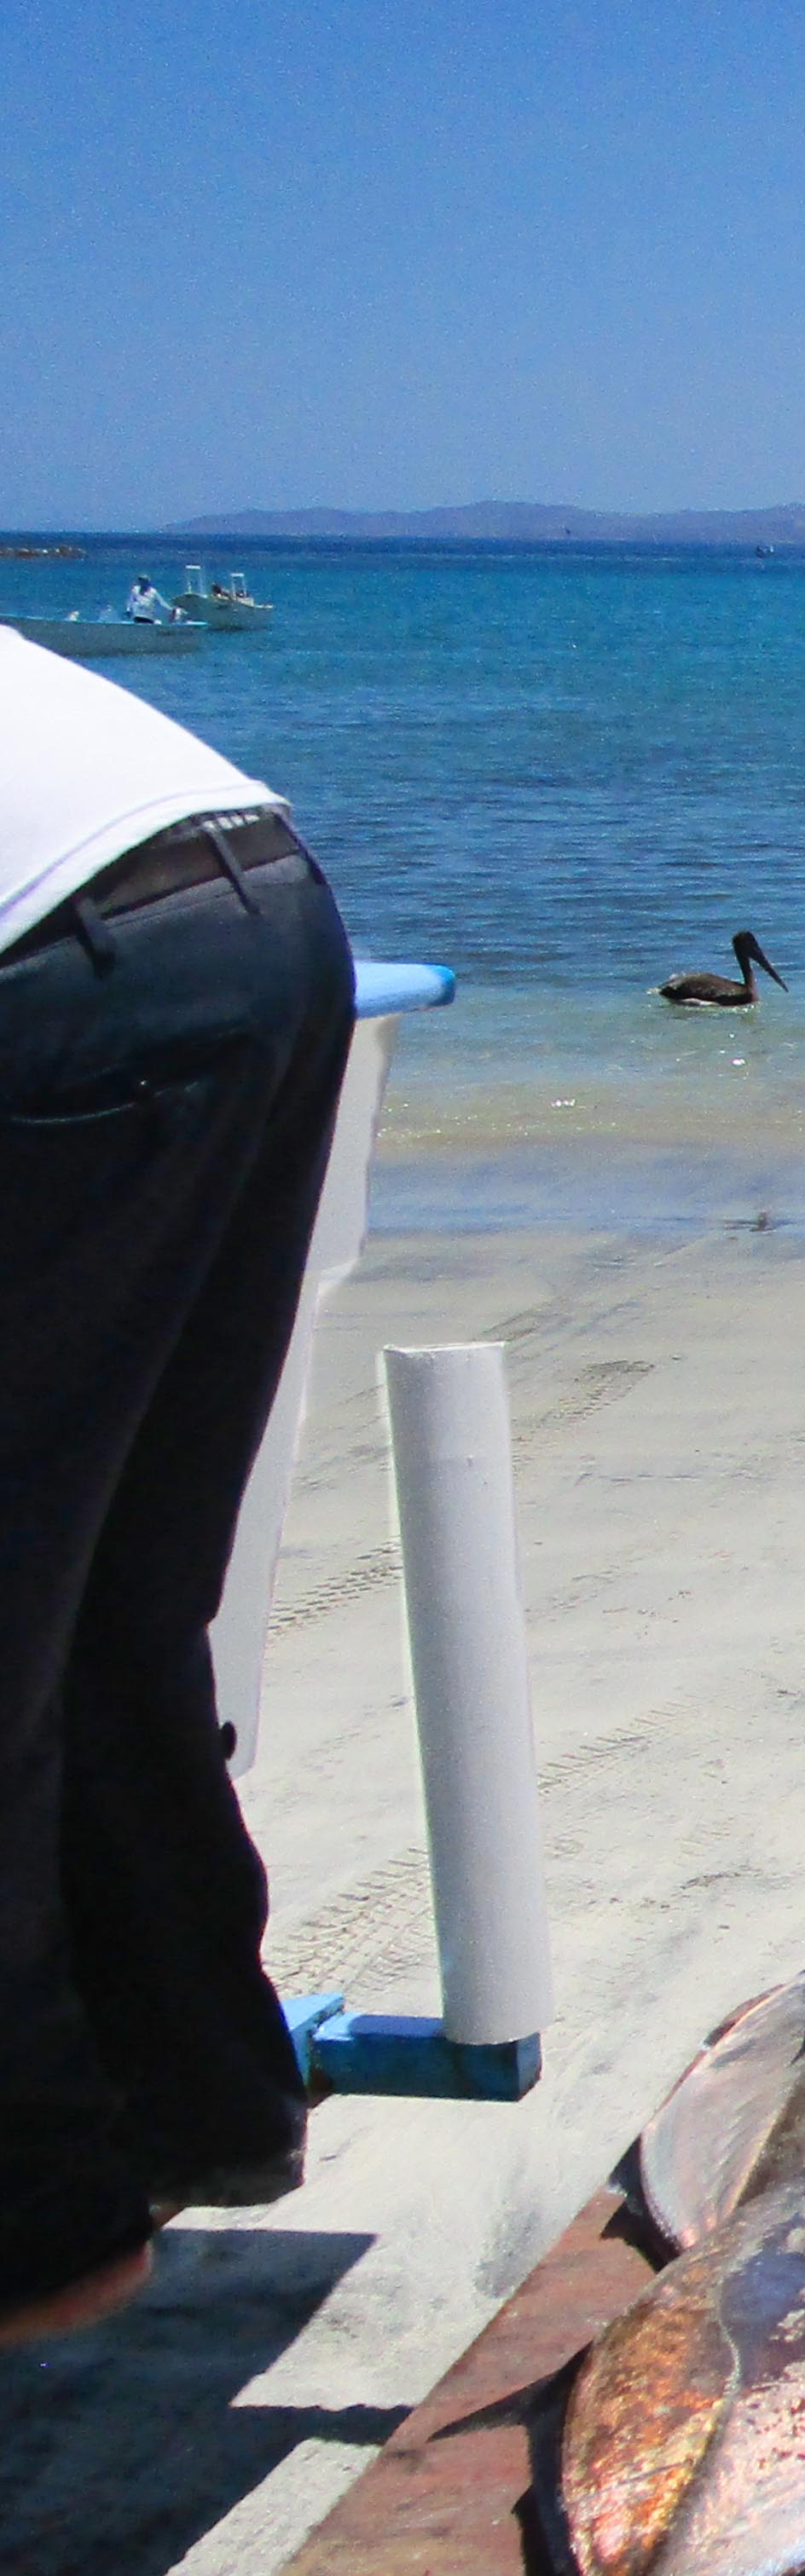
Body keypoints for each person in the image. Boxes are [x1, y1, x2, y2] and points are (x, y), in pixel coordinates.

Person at [0, 632, 356, 2343]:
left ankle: (40, 2229)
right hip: (242, 888)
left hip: (56, 957)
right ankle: (195, 2096)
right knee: (116, 1604)